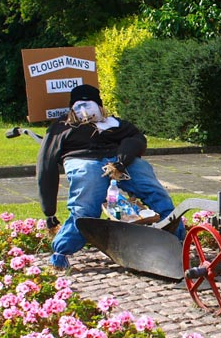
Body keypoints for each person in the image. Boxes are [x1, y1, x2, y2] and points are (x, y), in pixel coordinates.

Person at [37, 84, 185, 271]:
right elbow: (46, 164)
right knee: (86, 205)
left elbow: (137, 139)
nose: (84, 109)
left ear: (99, 105)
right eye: (79, 104)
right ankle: (61, 251)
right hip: (82, 159)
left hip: (120, 160)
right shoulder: (61, 127)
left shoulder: (116, 124)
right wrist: (49, 211)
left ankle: (176, 240)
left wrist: (122, 160)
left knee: (154, 190)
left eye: (89, 103)